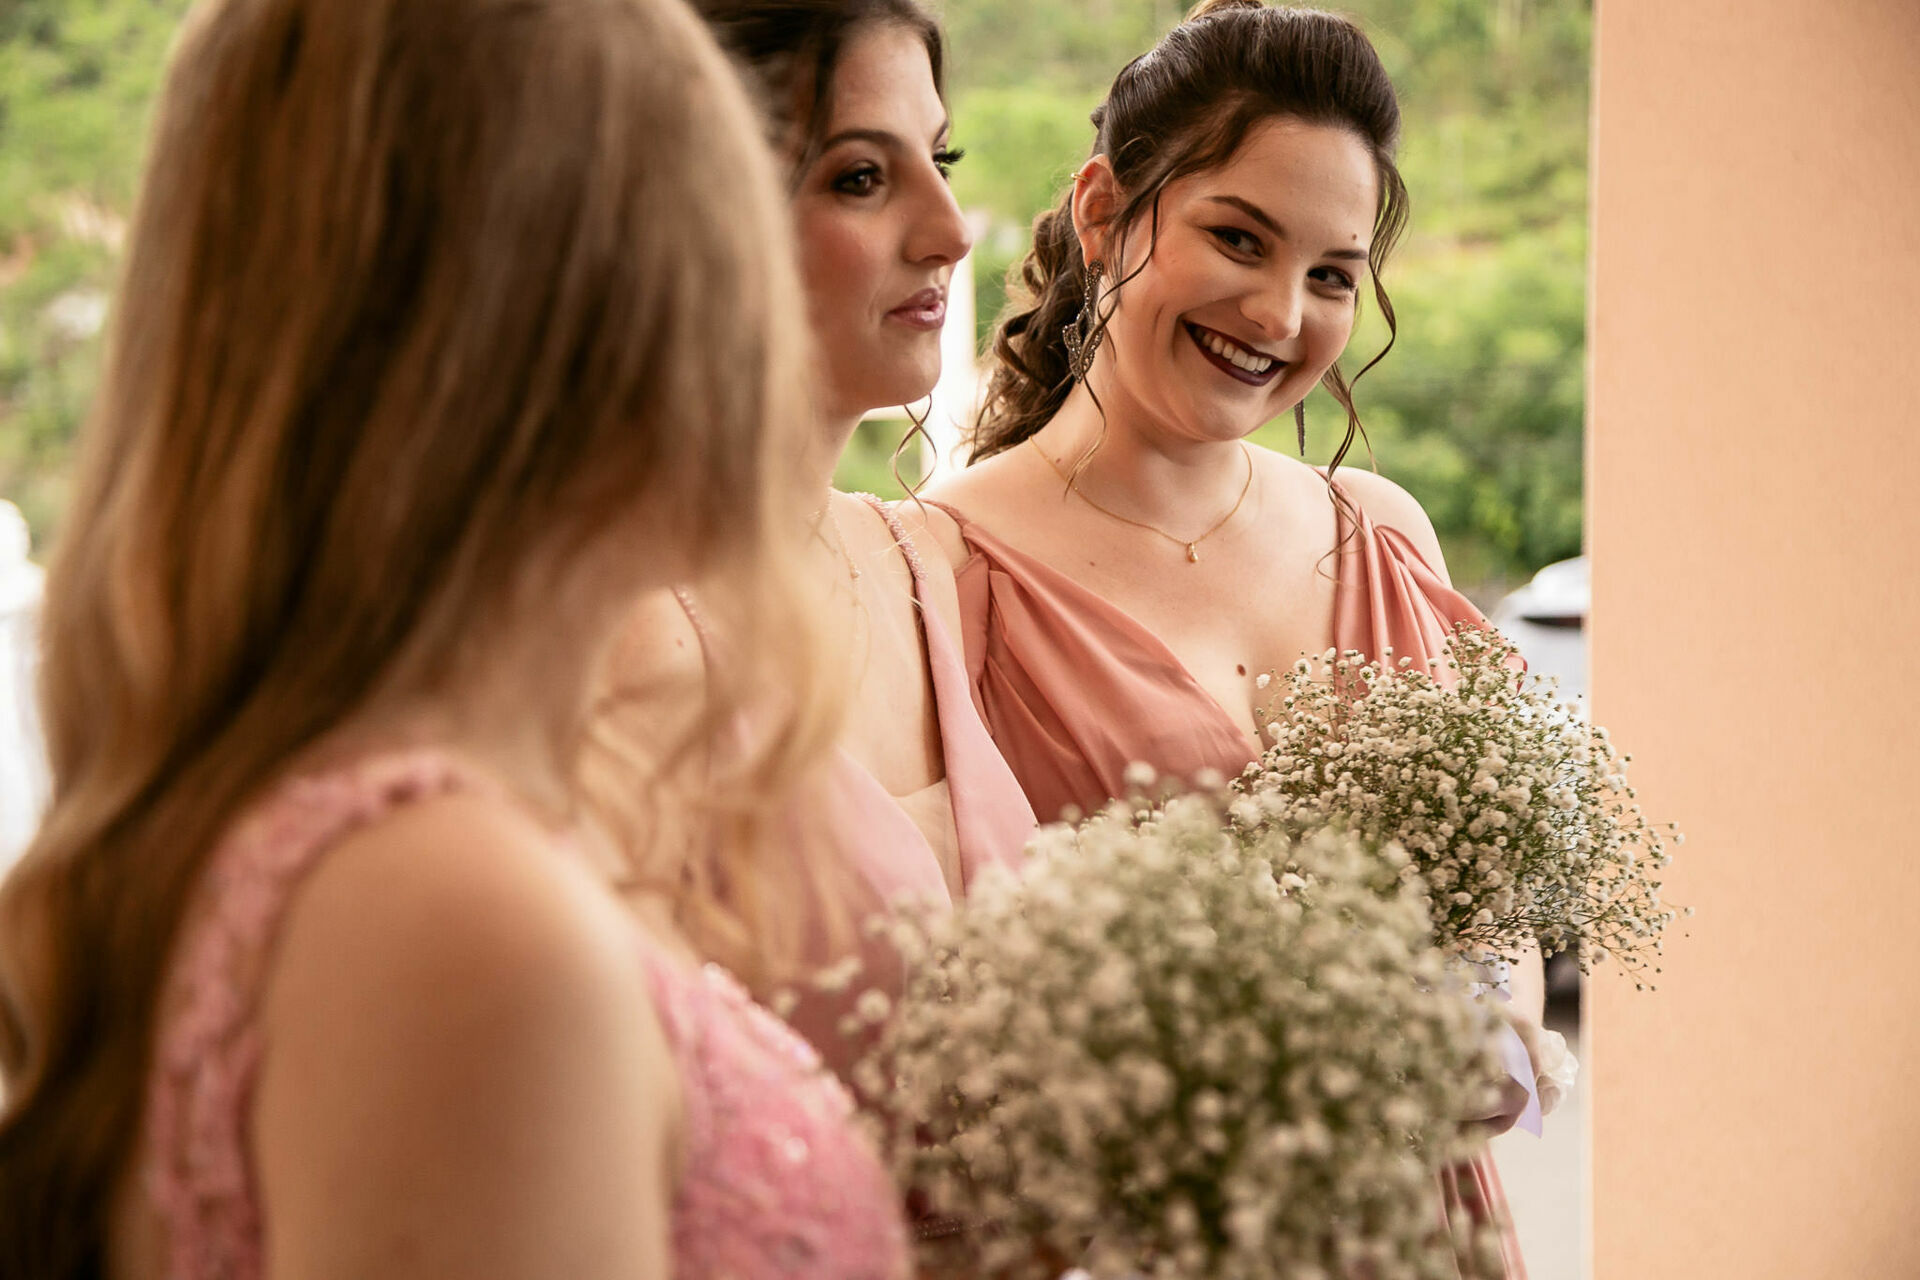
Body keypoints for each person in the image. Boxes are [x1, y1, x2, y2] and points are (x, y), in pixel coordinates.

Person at [0, 0, 910, 1277]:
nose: (755, 327)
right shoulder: (455, 922)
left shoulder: (376, 833)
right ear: (549, 320)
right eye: (719, 233)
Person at [926, 2, 1544, 1271]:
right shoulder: (942, 568)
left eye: (1331, 275)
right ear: (1105, 212)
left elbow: (1499, 917)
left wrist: (1486, 1028)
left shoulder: (1382, 531)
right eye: (1237, 238)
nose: (1279, 313)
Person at [612, 0, 1035, 1074]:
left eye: (943, 158)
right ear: (703, 214)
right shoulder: (624, 635)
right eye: (861, 176)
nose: (948, 229)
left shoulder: (921, 561)